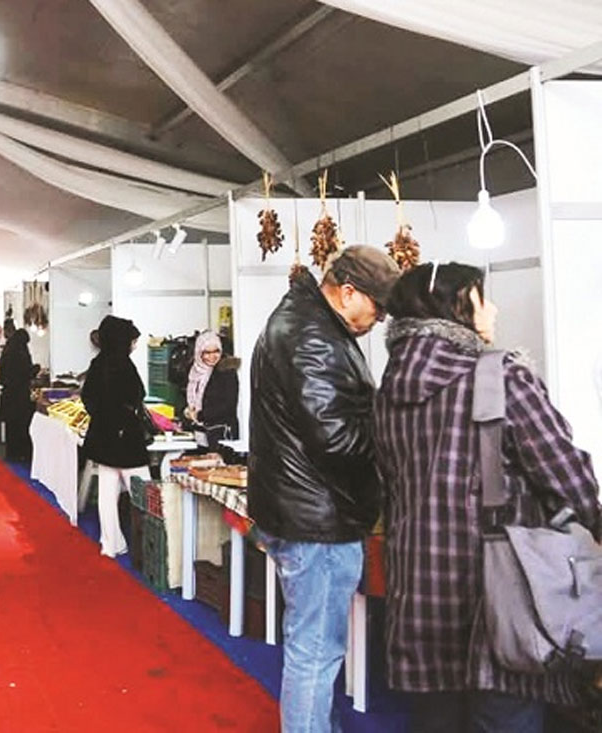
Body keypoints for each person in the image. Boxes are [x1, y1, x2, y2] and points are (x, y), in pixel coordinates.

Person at [374, 262, 601, 732]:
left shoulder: (389, 389)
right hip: (498, 591)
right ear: (455, 307)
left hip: (417, 588)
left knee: (435, 721)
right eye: (482, 297)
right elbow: (568, 477)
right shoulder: (500, 378)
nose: (493, 308)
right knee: (505, 717)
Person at [248, 245, 401, 733]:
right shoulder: (313, 337)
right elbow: (336, 439)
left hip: (301, 509)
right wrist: (392, 427)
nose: (379, 320)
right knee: (315, 650)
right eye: (377, 308)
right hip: (318, 519)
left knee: (312, 646)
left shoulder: (303, 322)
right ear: (348, 292)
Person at [81, 315, 150, 558]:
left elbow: (88, 398)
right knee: (145, 493)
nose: (134, 345)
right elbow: (137, 396)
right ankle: (152, 547)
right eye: (133, 340)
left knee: (107, 494)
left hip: (103, 437)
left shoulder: (98, 363)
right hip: (127, 439)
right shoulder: (124, 366)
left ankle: (110, 544)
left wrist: (103, 418)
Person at [184, 330, 239, 438]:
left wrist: (200, 415)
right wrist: (187, 412)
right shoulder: (194, 372)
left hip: (220, 433)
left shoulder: (226, 372)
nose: (212, 356)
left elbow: (229, 405)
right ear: (199, 353)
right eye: (207, 353)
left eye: (216, 351)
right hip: (199, 432)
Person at [0, 326, 39, 462]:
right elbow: (24, 372)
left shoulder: (8, 350)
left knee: (11, 426)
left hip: (8, 394)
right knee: (22, 425)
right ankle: (22, 452)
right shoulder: (21, 353)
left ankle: (12, 453)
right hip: (19, 395)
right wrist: (35, 369)